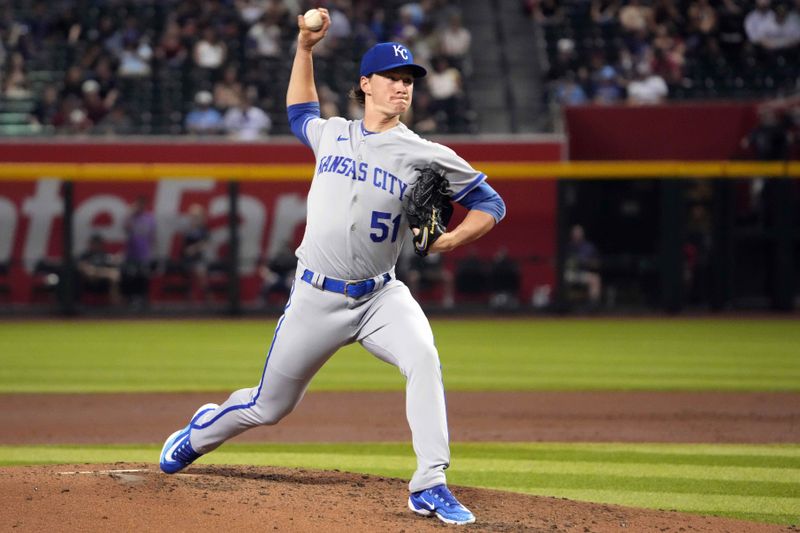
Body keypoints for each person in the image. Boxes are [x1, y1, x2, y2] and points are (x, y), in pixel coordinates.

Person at [159, 9, 505, 527]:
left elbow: (491, 203)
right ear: (365, 84)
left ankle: (429, 482)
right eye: (392, 78)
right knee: (268, 407)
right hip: (316, 296)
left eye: (409, 80)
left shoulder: (425, 153)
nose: (402, 88)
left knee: (424, 359)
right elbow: (299, 111)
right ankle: (198, 434)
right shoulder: (333, 134)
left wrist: (452, 238)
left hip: (380, 298)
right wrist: (304, 48)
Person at [121, 196, 156, 308]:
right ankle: (130, 299)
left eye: (142, 204)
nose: (140, 207)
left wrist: (151, 251)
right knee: (130, 277)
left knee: (143, 277)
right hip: (131, 254)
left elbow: (152, 236)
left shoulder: (149, 218)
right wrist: (129, 213)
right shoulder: (131, 218)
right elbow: (126, 228)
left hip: (144, 254)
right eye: (138, 204)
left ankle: (142, 300)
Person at [564, 224, 602, 307]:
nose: (577, 235)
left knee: (595, 279)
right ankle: (565, 304)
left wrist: (586, 262)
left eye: (578, 233)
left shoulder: (589, 247)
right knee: (562, 278)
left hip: (583, 273)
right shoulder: (568, 247)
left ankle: (593, 305)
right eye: (575, 233)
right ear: (572, 235)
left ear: (582, 234)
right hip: (571, 273)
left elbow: (597, 264)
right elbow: (561, 263)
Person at [77, 234, 121, 305]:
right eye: (94, 243)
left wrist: (99, 271)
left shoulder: (104, 255)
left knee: (114, 275)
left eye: (97, 243)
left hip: (103, 277)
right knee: (90, 271)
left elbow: (112, 267)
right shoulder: (85, 255)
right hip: (89, 279)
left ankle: (115, 304)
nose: (95, 245)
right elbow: (82, 266)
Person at [179, 203, 210, 300]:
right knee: (189, 278)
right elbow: (184, 245)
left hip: (198, 258)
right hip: (187, 258)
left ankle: (208, 298)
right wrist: (187, 250)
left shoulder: (203, 229)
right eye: (192, 215)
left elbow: (205, 243)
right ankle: (189, 298)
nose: (194, 218)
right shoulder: (187, 229)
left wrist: (194, 248)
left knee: (201, 276)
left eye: (197, 216)